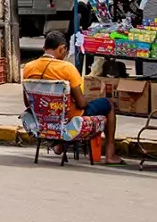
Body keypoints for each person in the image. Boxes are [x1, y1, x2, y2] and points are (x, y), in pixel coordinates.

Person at [22, 30, 122, 164]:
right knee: (108, 104)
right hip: (69, 117)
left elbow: (27, 102)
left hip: (43, 118)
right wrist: (86, 99)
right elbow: (81, 104)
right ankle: (110, 153)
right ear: (62, 48)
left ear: (44, 48)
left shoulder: (28, 67)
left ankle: (58, 144)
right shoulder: (67, 68)